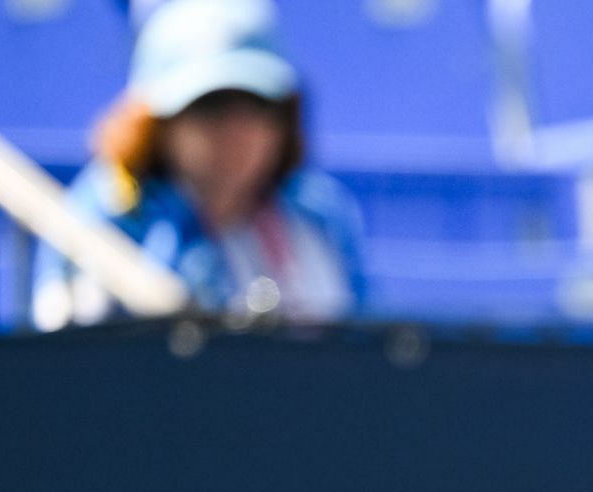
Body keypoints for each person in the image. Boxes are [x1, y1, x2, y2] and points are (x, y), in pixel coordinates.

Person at [34, 0, 363, 329]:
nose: (238, 129)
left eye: (259, 104)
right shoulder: (110, 216)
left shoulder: (320, 214)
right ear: (157, 124)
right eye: (211, 105)